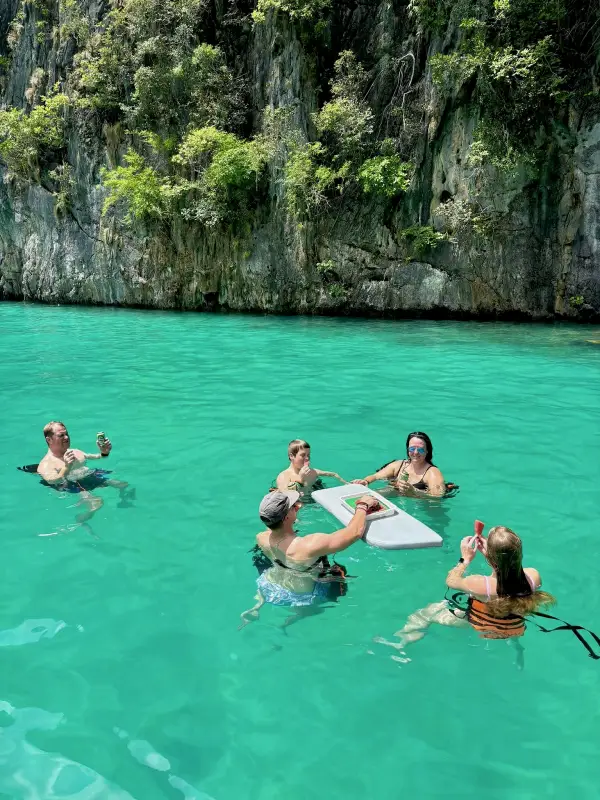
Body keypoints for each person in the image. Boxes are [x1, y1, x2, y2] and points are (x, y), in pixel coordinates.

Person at [378, 525, 554, 656]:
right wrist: (493, 559)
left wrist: (465, 558)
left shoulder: (479, 584)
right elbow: (508, 582)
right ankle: (516, 648)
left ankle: (402, 643)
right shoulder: (533, 576)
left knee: (429, 612)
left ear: (491, 558)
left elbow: (451, 581)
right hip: (515, 628)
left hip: (482, 628)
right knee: (510, 620)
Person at [240, 490, 379, 628]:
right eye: (294, 506)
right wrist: (362, 505)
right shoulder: (309, 545)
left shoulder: (261, 538)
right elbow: (354, 533)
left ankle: (257, 606)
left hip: (269, 584)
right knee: (316, 608)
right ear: (286, 517)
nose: (298, 506)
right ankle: (285, 624)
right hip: (301, 596)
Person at [37, 421, 132, 524]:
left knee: (122, 484)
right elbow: (53, 481)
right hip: (72, 484)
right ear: (49, 440)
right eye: (61, 435)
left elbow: (96, 457)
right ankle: (81, 518)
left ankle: (124, 504)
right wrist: (66, 467)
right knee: (97, 503)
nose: (66, 437)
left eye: (66, 434)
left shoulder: (74, 452)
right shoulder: (46, 464)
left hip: (86, 476)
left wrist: (104, 452)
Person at [352, 431, 446, 498]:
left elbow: (436, 497)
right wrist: (365, 481)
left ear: (427, 451)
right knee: (367, 498)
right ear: (407, 449)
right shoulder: (399, 465)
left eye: (420, 449)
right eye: (412, 449)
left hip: (419, 505)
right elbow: (376, 476)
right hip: (395, 495)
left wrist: (414, 491)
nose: (416, 452)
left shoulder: (432, 473)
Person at [274, 439, 347, 496]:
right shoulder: (284, 476)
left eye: (308, 455)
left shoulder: (313, 472)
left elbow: (334, 474)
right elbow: (285, 499)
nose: (307, 458)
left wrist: (347, 483)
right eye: (303, 455)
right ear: (291, 456)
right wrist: (301, 480)